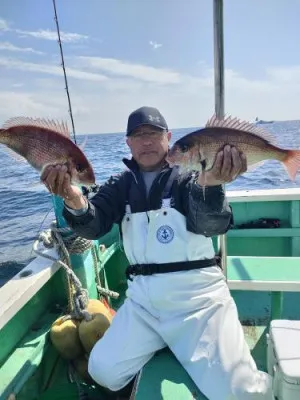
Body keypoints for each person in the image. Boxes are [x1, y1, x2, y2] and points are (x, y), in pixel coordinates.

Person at [41, 106, 273, 400]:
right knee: (103, 370)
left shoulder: (191, 176)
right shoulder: (120, 185)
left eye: (154, 134)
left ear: (169, 138)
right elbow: (94, 225)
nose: (146, 141)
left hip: (199, 303)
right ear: (128, 143)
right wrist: (73, 198)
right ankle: (164, 345)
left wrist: (212, 184)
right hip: (144, 305)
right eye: (138, 136)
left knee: (242, 392)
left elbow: (210, 224)